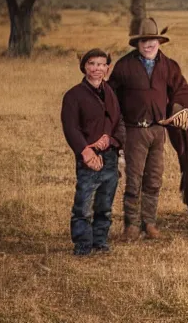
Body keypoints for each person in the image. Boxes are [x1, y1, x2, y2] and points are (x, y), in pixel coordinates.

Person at [108, 17, 188, 241]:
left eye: (153, 40)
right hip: (134, 130)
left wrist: (175, 111)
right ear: (137, 43)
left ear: (159, 41)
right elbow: (111, 97)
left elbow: (180, 90)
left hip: (158, 130)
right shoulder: (124, 66)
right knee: (134, 178)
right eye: (144, 40)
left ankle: (150, 223)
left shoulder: (168, 65)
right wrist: (115, 130)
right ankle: (131, 225)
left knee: (154, 179)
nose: (149, 45)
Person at [61, 48, 126, 256]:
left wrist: (112, 140)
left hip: (110, 156)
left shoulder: (111, 93)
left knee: (105, 204)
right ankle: (82, 245)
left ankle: (100, 241)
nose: (96, 68)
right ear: (84, 67)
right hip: (88, 157)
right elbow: (71, 128)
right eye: (92, 64)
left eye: (101, 64)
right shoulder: (73, 95)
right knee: (83, 205)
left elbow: (119, 122)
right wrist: (86, 152)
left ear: (107, 68)